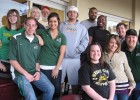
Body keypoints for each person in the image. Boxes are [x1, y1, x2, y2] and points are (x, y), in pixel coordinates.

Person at [9, 17, 54, 100]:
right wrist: (26, 74)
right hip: (19, 74)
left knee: (50, 89)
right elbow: (12, 60)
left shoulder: (37, 40)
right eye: (28, 25)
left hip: (33, 72)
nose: (31, 28)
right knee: (31, 97)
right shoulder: (16, 38)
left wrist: (37, 71)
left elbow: (37, 60)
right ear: (24, 25)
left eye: (33, 25)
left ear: (36, 27)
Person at [59, 6, 89, 94]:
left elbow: (85, 40)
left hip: (75, 58)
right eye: (70, 12)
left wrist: (78, 49)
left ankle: (75, 96)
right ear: (67, 13)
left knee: (75, 82)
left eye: (74, 12)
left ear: (77, 14)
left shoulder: (82, 27)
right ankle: (59, 96)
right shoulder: (62, 25)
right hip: (62, 57)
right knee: (60, 80)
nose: (72, 13)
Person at [37, 12, 66, 100]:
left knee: (57, 90)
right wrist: (38, 37)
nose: (52, 23)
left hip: (56, 67)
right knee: (43, 90)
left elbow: (62, 53)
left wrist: (57, 68)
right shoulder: (42, 32)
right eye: (50, 21)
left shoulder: (62, 36)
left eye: (55, 21)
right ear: (48, 22)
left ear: (58, 22)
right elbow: (30, 30)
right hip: (43, 66)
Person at [103, 34, 135, 100]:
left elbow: (127, 69)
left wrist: (132, 83)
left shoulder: (122, 54)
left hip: (123, 87)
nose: (114, 45)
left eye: (116, 43)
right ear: (107, 43)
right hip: (109, 87)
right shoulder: (102, 55)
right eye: (112, 42)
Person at [0, 9, 24, 79]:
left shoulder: (23, 30)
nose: (12, 18)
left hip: (18, 62)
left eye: (14, 15)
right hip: (4, 61)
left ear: (18, 17)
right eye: (10, 16)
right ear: (7, 18)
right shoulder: (2, 29)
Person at [122, 29, 140, 100]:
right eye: (129, 37)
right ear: (125, 38)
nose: (131, 39)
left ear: (137, 38)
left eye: (133, 37)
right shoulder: (121, 50)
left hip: (139, 84)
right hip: (125, 84)